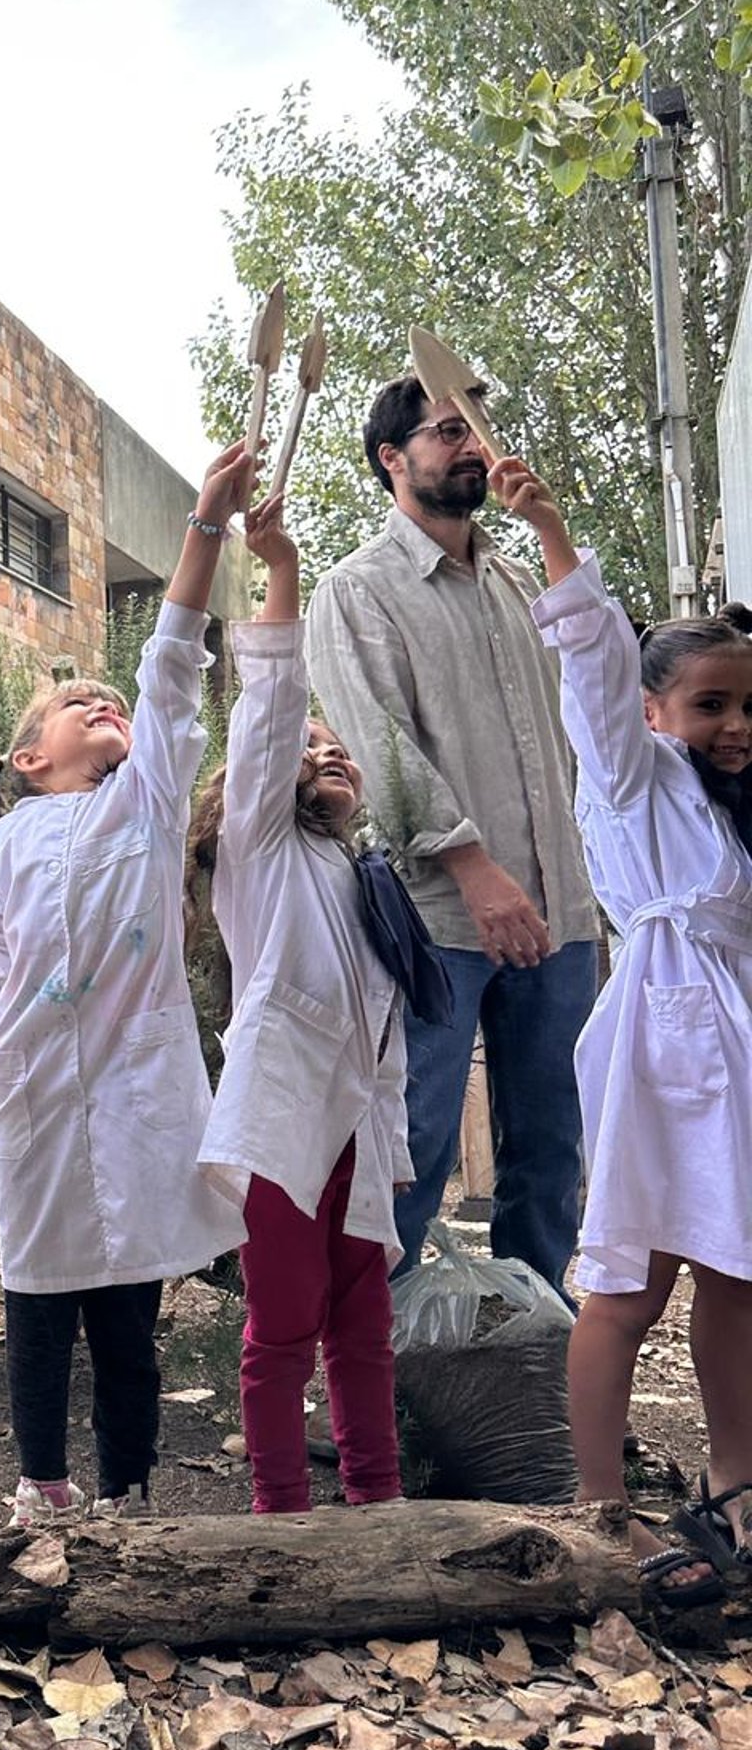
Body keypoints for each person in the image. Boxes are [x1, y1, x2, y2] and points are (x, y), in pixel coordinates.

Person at [0, 445, 252, 1527]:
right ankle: (40, 1483)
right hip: (35, 1091)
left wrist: (203, 527)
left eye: (108, 698)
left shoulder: (145, 805)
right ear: (29, 759)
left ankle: (127, 1488)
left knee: (124, 1305)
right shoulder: (9, 846)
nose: (103, 698)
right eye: (76, 700)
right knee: (36, 1291)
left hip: (137, 1081)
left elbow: (170, 670)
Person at [498, 453, 752, 1604]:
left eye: (750, 704)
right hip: (660, 1046)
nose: (736, 724)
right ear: (653, 712)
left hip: (736, 1058)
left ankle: (733, 1496)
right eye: (712, 704)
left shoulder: (732, 813)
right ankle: (595, 1504)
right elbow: (594, 661)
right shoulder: (631, 773)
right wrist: (555, 534)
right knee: (629, 1280)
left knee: (739, 1277)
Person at [306, 376, 600, 1293]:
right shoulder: (355, 593)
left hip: (564, 910)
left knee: (554, 1149)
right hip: (441, 915)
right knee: (415, 1142)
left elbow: (590, 716)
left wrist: (553, 533)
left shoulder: (519, 583)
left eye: (475, 430)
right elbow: (379, 746)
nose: (472, 447)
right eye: (446, 432)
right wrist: (474, 870)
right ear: (393, 459)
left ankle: (531, 1368)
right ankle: (385, 1383)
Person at [191, 494, 441, 1514]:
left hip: (358, 1126)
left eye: (339, 746)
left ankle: (375, 1504)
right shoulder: (262, 854)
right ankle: (281, 1517)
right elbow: (268, 707)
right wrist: (278, 573)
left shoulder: (361, 873)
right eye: (309, 744)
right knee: (284, 1321)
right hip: (286, 1119)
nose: (326, 750)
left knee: (362, 1318)